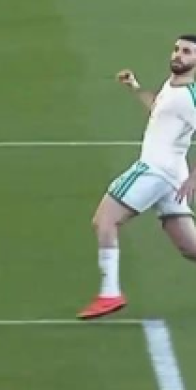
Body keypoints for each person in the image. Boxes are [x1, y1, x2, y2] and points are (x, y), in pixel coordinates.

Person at [80, 36, 196, 320]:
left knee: (105, 220)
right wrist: (135, 87)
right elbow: (159, 111)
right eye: (177, 49)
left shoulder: (189, 97)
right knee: (190, 247)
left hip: (155, 170)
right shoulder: (173, 86)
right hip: (171, 174)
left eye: (187, 52)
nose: (178, 55)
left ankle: (109, 293)